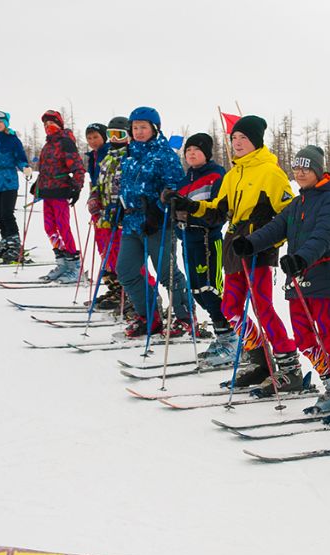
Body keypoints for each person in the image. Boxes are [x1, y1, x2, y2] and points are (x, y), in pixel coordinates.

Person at [237, 145, 330, 417]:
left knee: (328, 336)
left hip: (321, 275)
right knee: (304, 338)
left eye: (306, 168)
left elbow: (324, 237)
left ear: (318, 170)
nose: (300, 173)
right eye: (296, 168)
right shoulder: (299, 202)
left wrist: (302, 258)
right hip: (296, 277)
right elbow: (277, 227)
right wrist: (250, 243)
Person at [178, 115, 297, 387]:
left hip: (258, 247)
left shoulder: (271, 172)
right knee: (230, 307)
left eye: (243, 138)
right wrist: (188, 205)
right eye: (234, 138)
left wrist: (269, 242)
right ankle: (259, 359)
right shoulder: (233, 174)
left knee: (263, 307)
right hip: (234, 247)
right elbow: (218, 209)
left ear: (256, 141)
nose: (237, 143)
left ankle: (288, 362)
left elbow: (288, 217)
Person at [117, 106, 195, 337]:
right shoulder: (129, 154)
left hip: (157, 224)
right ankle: (149, 315)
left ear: (155, 128)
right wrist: (119, 208)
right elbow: (125, 185)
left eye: (143, 127)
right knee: (126, 271)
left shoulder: (164, 154)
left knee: (166, 272)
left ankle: (185, 316)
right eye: (135, 127)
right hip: (132, 222)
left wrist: (158, 209)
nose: (139, 131)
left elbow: (176, 188)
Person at [168, 133, 231, 349]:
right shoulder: (185, 180)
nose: (191, 154)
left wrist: (191, 212)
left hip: (207, 239)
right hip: (188, 239)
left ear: (206, 153)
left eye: (196, 150)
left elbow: (218, 212)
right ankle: (223, 334)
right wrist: (171, 205)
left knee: (210, 289)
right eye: (188, 150)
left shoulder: (216, 175)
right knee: (196, 292)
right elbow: (178, 211)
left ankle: (229, 337)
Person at [34, 110, 86, 283]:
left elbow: (77, 167)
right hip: (47, 193)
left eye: (52, 123)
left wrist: (76, 187)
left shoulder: (66, 142)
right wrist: (38, 184)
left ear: (60, 124)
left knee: (63, 228)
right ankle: (62, 262)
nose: (48, 126)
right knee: (50, 229)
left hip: (60, 192)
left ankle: (75, 266)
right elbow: (45, 169)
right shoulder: (47, 145)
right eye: (45, 124)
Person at [87, 116, 133, 310]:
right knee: (107, 253)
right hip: (105, 216)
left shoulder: (130, 156)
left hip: (122, 216)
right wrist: (93, 198)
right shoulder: (107, 158)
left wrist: (124, 208)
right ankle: (116, 289)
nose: (114, 139)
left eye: (119, 134)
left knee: (124, 256)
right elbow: (99, 182)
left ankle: (133, 293)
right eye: (111, 135)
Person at [0, 111, 31, 262]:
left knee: (7, 213)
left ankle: (15, 247)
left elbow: (20, 158)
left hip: (8, 180)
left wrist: (25, 167)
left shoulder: (13, 140)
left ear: (6, 124)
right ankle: (5, 244)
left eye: (0, 122)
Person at [84, 122, 107, 187]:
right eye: (89, 138)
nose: (92, 141)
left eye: (95, 137)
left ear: (104, 136)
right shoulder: (92, 156)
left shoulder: (110, 153)